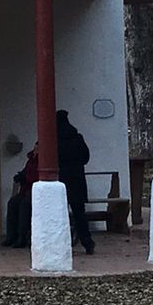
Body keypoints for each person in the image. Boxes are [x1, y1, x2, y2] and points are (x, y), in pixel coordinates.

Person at [56, 108, 95, 254]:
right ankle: (87, 242)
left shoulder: (55, 140)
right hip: (77, 179)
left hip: (61, 179)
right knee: (79, 213)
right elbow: (86, 157)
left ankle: (62, 243)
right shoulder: (77, 137)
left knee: (61, 212)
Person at [3, 148, 40, 247]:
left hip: (35, 192)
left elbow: (37, 177)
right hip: (26, 190)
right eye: (35, 148)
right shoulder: (30, 161)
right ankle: (11, 236)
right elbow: (26, 172)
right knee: (12, 203)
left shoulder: (41, 162)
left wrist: (26, 178)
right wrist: (20, 175)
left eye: (38, 149)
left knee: (24, 205)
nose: (35, 150)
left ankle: (22, 237)